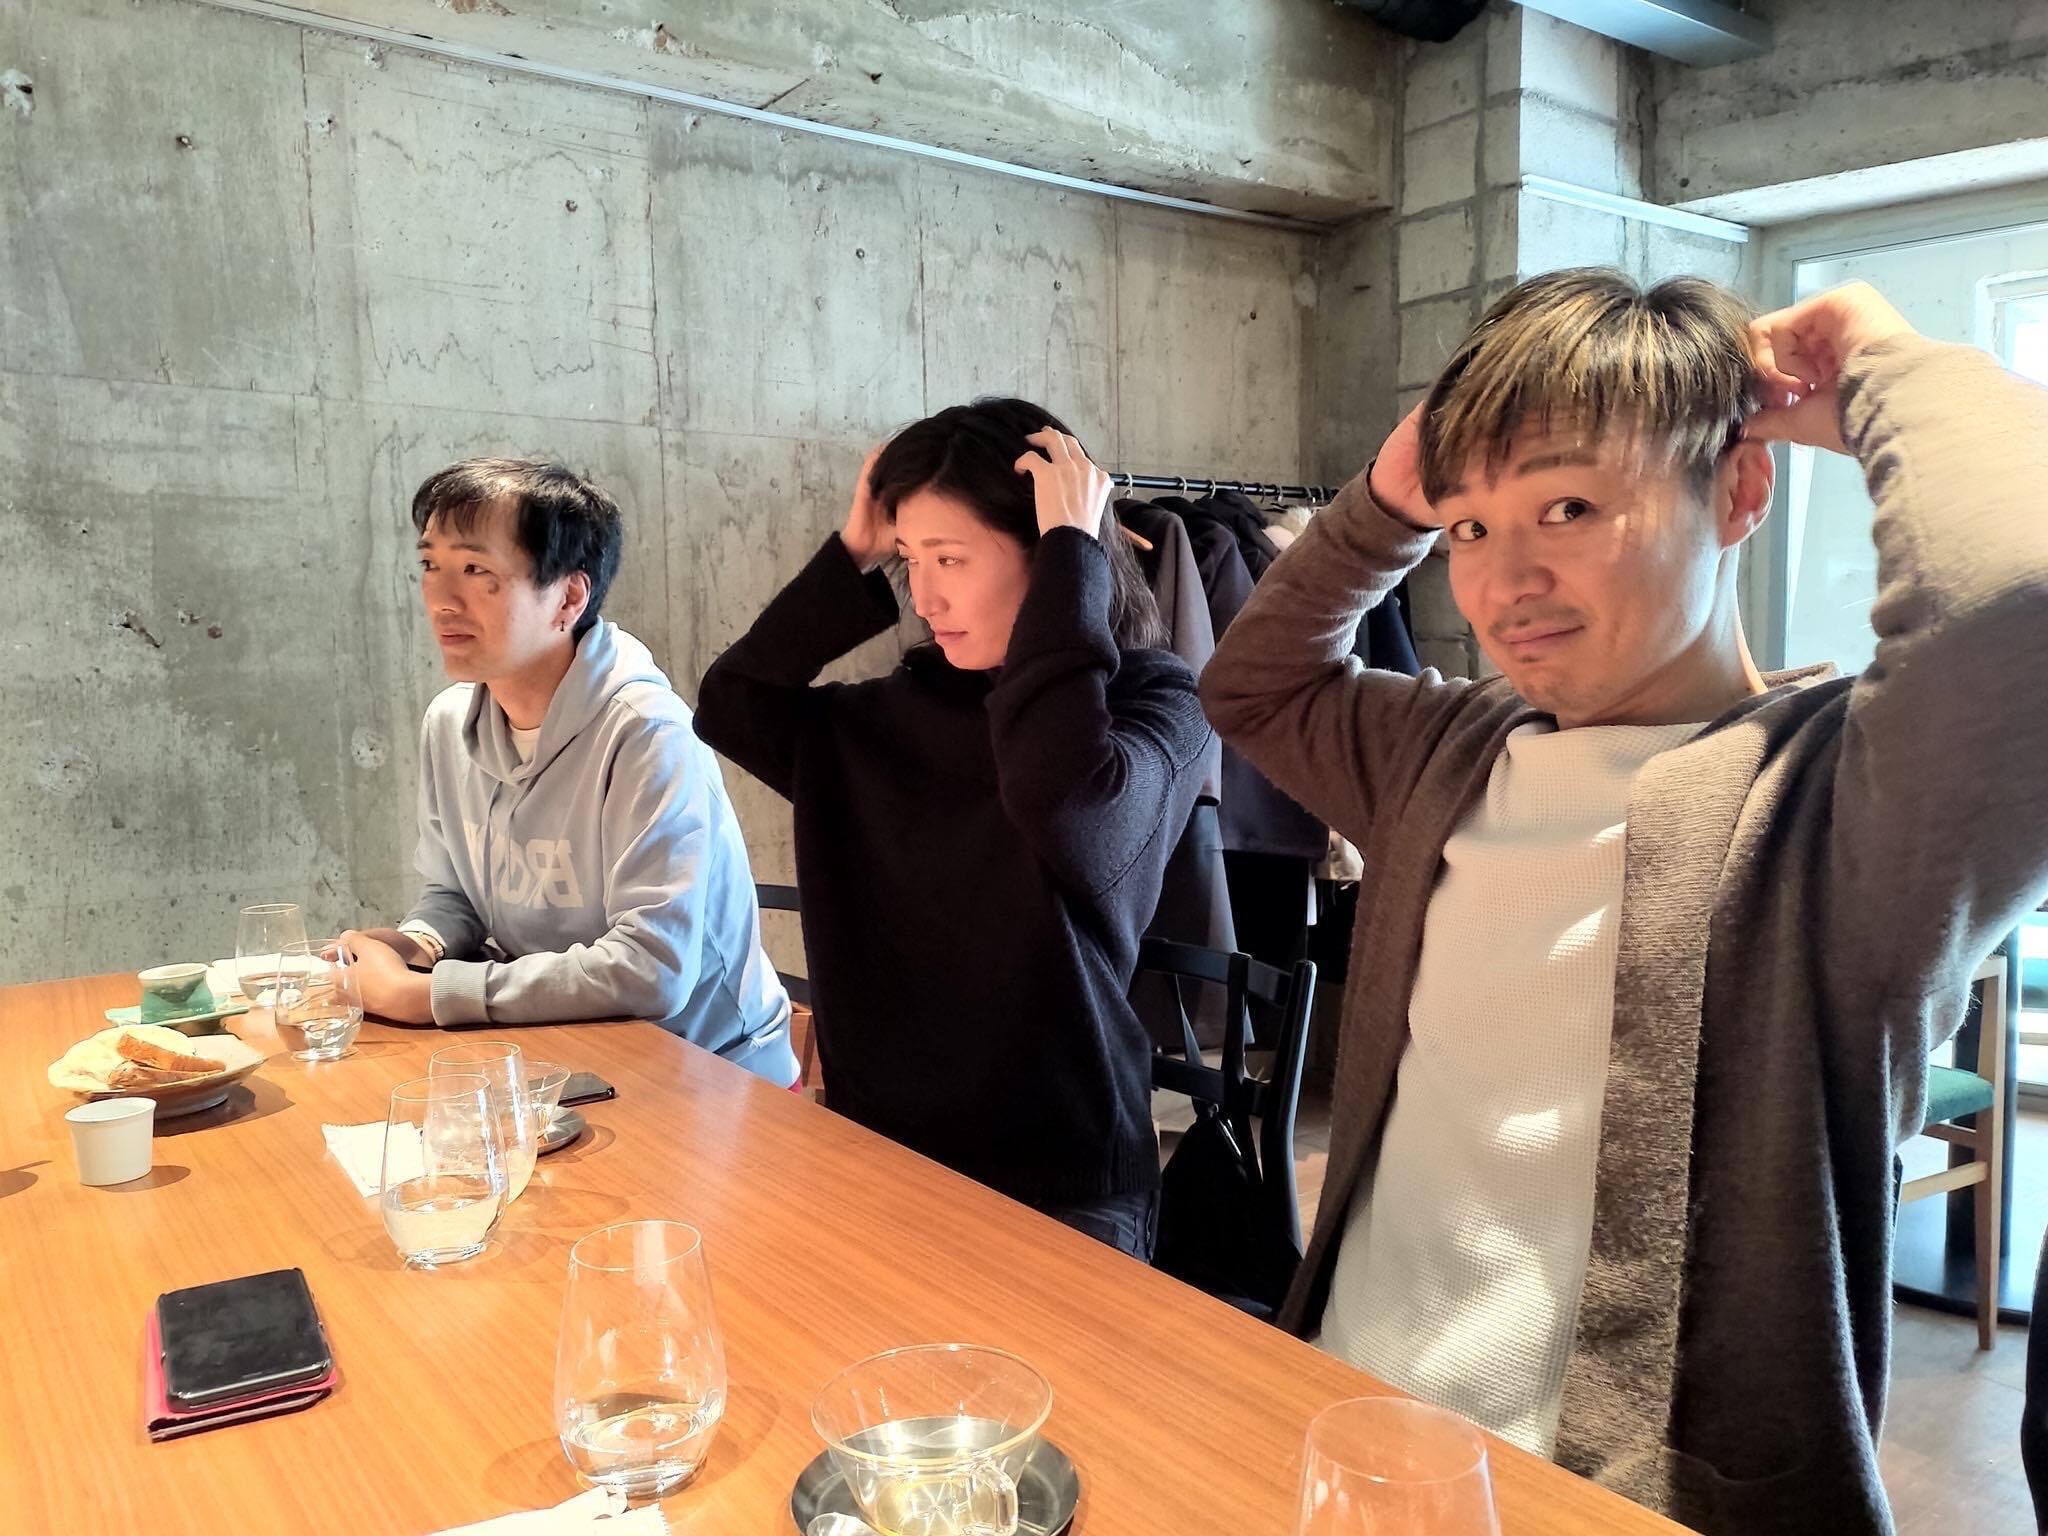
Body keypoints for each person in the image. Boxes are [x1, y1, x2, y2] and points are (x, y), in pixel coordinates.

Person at [1201, 270, 2048, 1534]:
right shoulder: (1444, 754)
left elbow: (2017, 603)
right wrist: (1383, 504)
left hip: (1612, 1501)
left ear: (1739, 492)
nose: (1501, 583)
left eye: (1568, 506)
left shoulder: (1840, 813)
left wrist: (1882, 364)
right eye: (1468, 527)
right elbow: (1251, 686)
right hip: (1347, 1433)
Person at [693, 400, 1211, 1258]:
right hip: (879, 1151)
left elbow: (1068, 804)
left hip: (1060, 1177)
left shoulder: (1155, 706)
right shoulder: (889, 717)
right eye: (910, 559)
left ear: (1050, 553)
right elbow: (732, 704)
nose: (925, 597)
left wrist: (1074, 551)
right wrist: (851, 553)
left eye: (952, 558)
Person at [342, 457, 797, 1086]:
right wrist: (418, 945)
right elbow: (456, 894)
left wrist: (426, 994)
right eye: (429, 565)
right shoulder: (449, 722)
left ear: (569, 597)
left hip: (712, 1077)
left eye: (475, 570)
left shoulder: (646, 731)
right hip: (565, 1057)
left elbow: (651, 969)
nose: (442, 600)